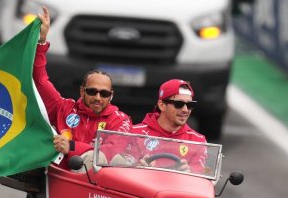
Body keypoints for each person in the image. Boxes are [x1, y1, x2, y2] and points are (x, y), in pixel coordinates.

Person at [35, 7, 132, 170]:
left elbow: (111, 152)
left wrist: (72, 147)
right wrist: (41, 41)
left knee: (112, 159)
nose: (98, 97)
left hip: (96, 187)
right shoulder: (63, 107)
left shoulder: (120, 120)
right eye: (92, 91)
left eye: (104, 93)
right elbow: (40, 80)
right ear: (82, 91)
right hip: (58, 178)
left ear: (111, 96)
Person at [113, 79, 206, 172]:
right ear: (162, 105)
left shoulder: (198, 141)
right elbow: (121, 172)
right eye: (179, 104)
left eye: (190, 105)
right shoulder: (134, 133)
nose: (185, 110)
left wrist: (190, 172)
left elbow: (203, 177)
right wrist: (137, 167)